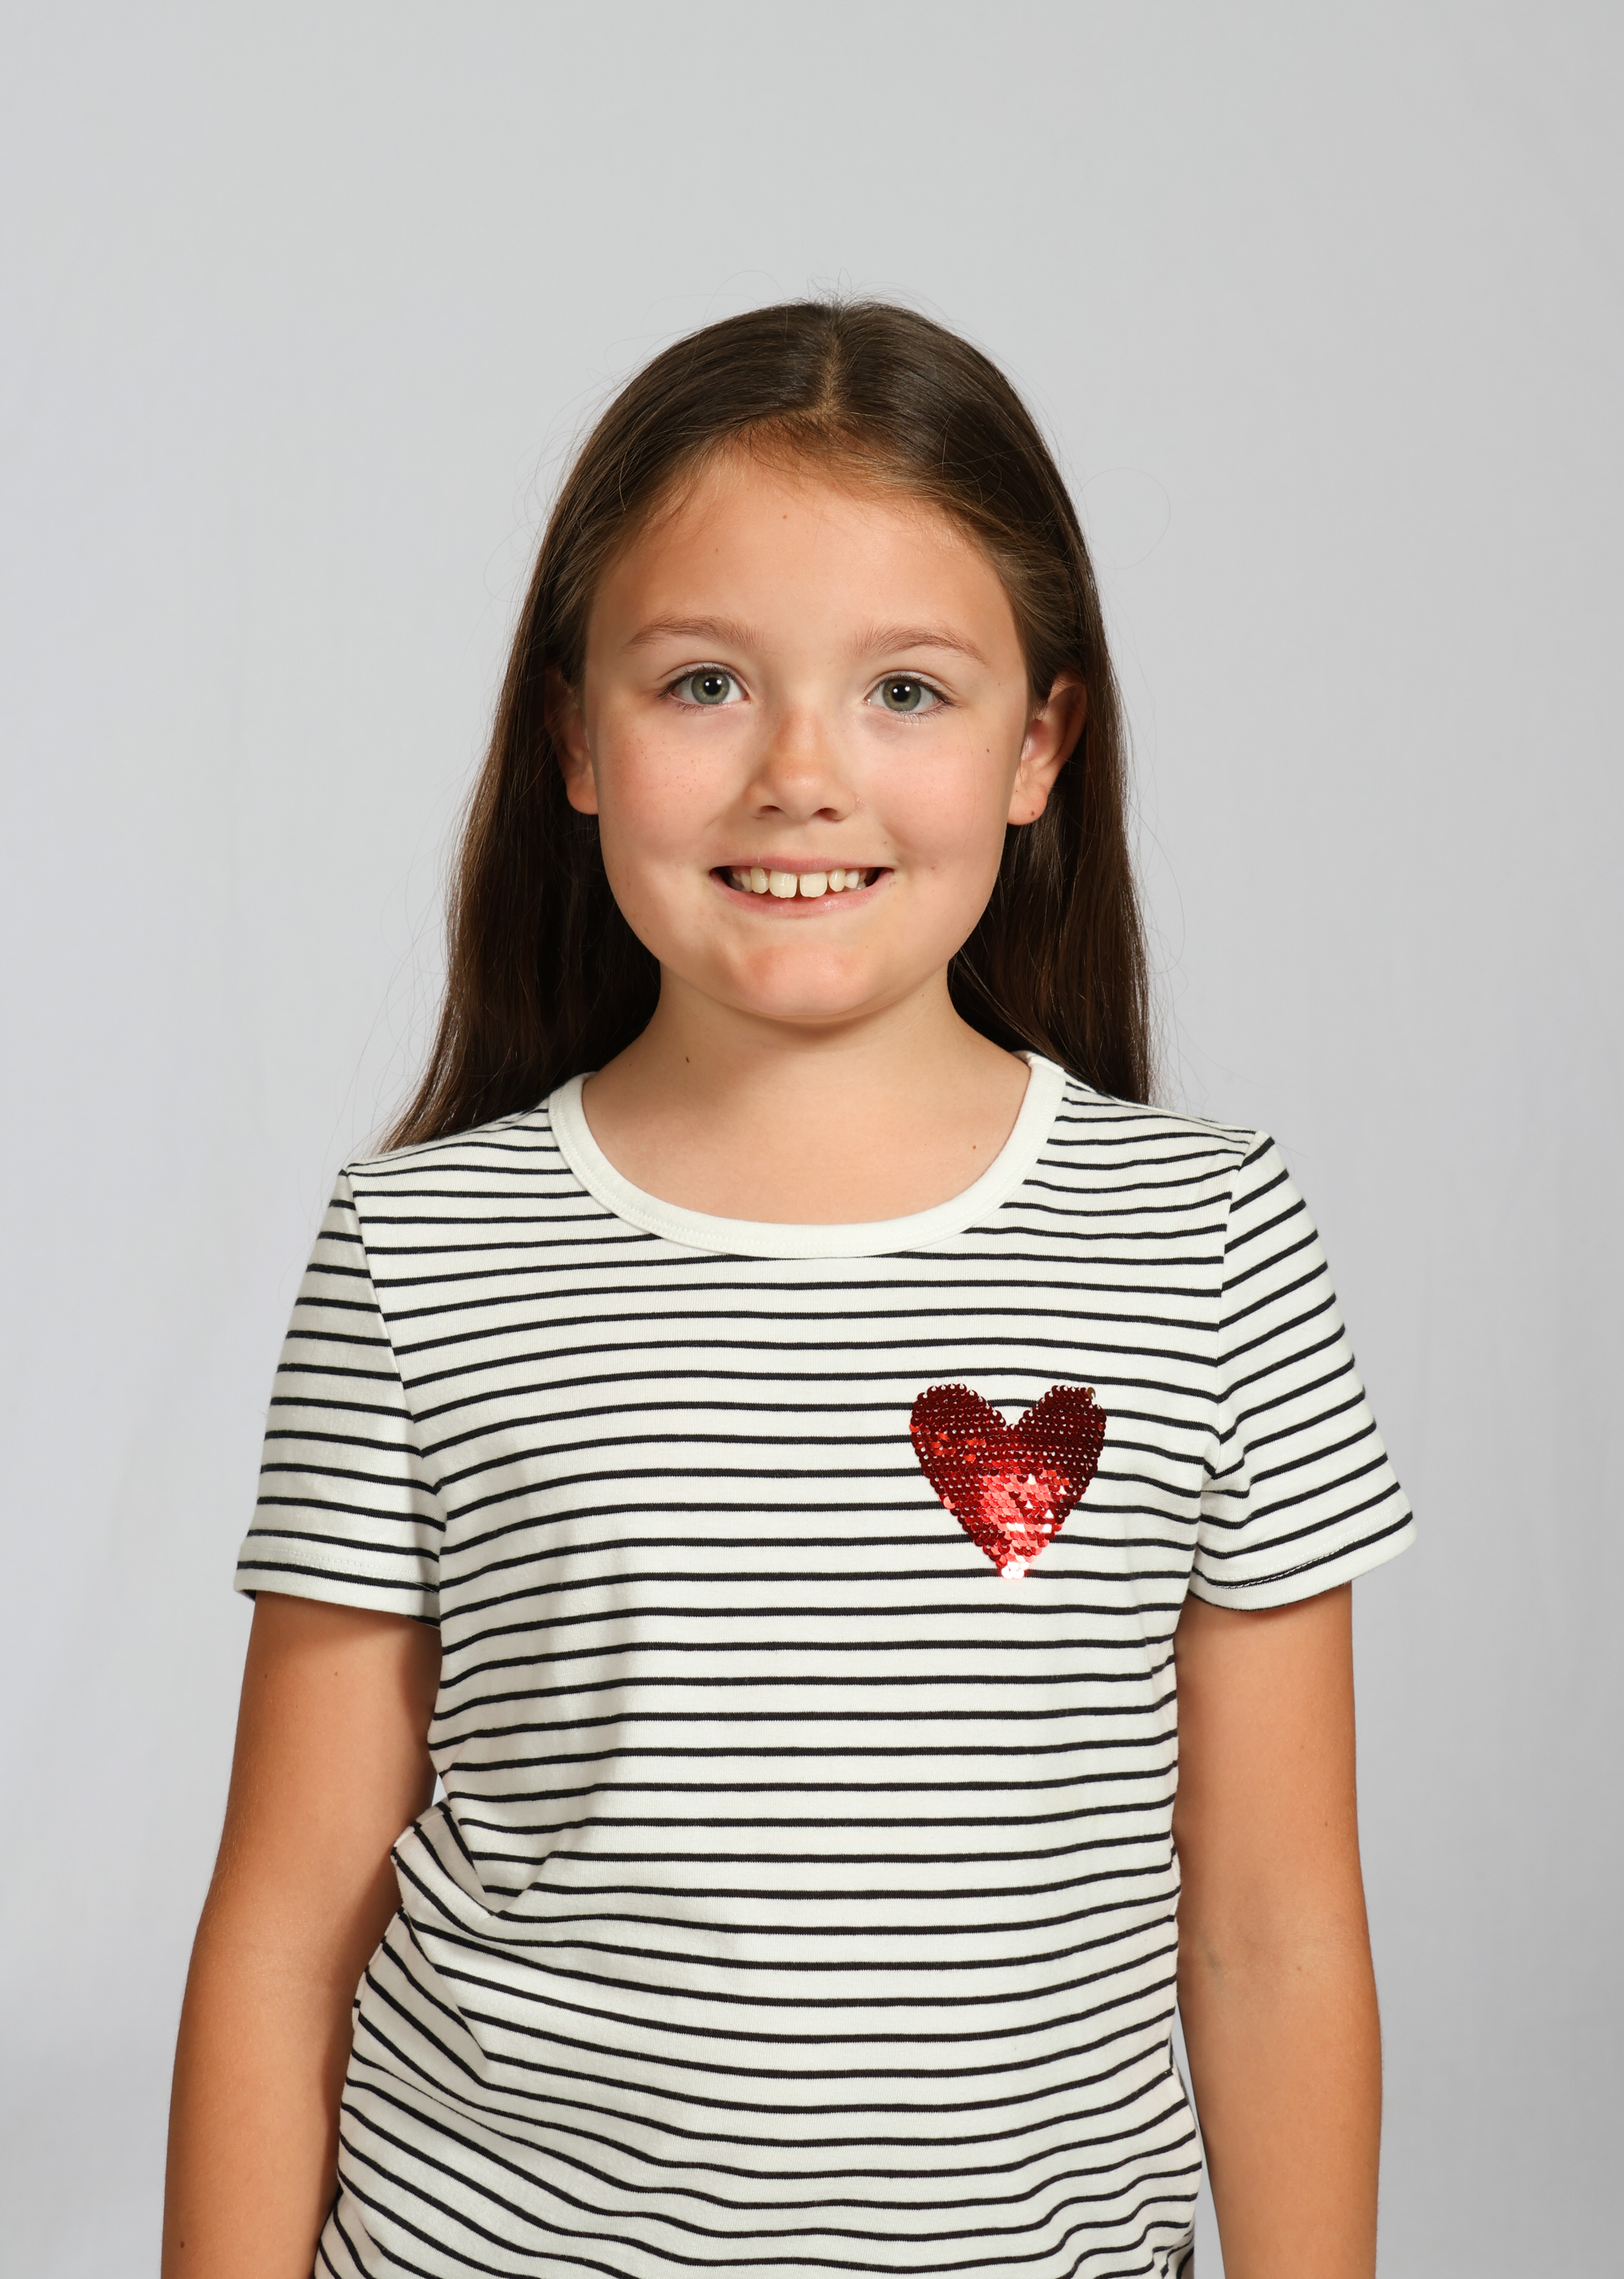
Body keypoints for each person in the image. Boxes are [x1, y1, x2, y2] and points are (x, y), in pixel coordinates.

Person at [162, 301, 1414, 2279]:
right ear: (576, 740)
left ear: (1040, 745)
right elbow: (286, 1922)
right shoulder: (425, 1254)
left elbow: (1273, 1928)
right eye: (706, 684)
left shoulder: (1208, 1240)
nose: (802, 776)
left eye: (906, 690)